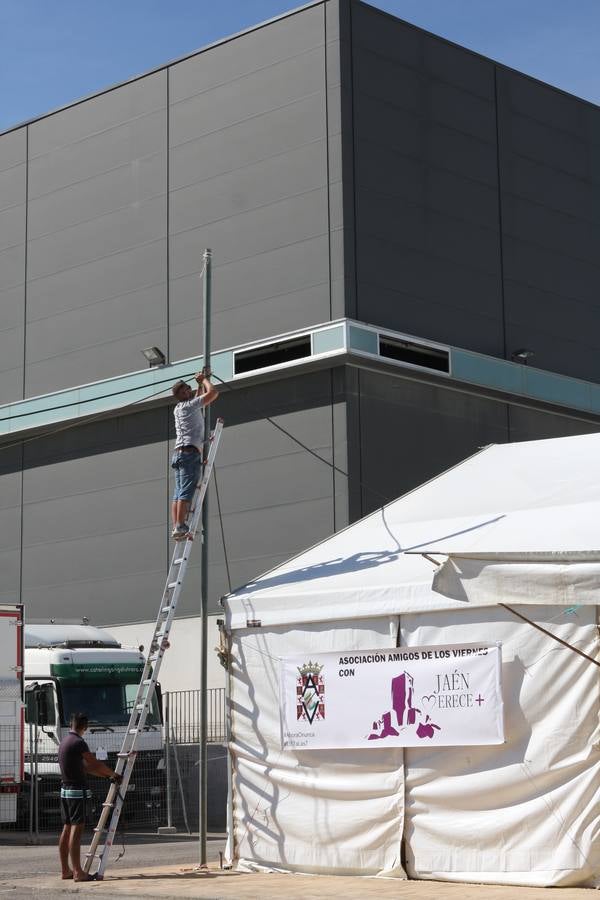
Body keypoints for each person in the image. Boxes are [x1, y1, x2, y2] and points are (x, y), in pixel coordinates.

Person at [57, 711, 122, 882]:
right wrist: (114, 773)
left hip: (65, 789)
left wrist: (107, 776)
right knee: (76, 830)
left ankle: (66, 870)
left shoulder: (65, 741)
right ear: (85, 727)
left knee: (66, 828)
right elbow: (94, 763)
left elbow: (85, 767)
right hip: (77, 791)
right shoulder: (79, 743)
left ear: (72, 724)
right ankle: (78, 871)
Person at [171, 368, 219, 540]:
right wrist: (204, 380)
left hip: (180, 453)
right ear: (181, 394)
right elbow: (213, 393)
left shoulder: (179, 408)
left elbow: (197, 398)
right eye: (186, 390)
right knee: (185, 492)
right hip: (189, 453)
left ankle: (177, 526)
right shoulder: (190, 405)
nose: (190, 391)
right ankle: (179, 526)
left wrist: (200, 383)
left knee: (178, 493)